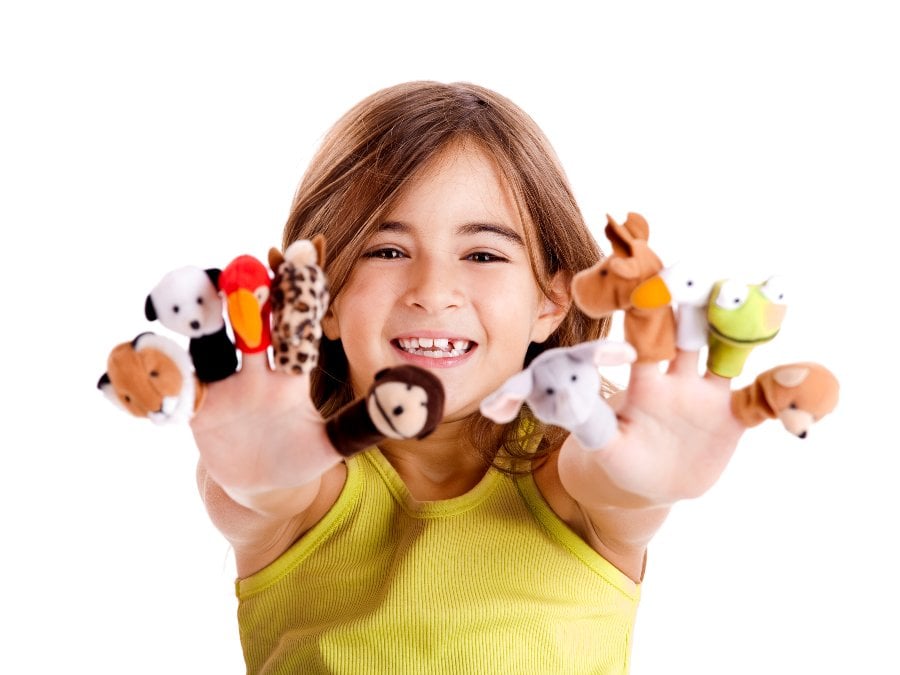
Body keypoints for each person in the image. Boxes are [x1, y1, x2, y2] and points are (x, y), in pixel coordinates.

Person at [190, 81, 745, 674]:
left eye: (483, 255)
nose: (432, 293)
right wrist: (249, 480)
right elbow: (263, 490)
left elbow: (617, 485)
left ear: (552, 299)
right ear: (322, 295)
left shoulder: (570, 483)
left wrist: (645, 478)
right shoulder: (299, 492)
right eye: (387, 251)